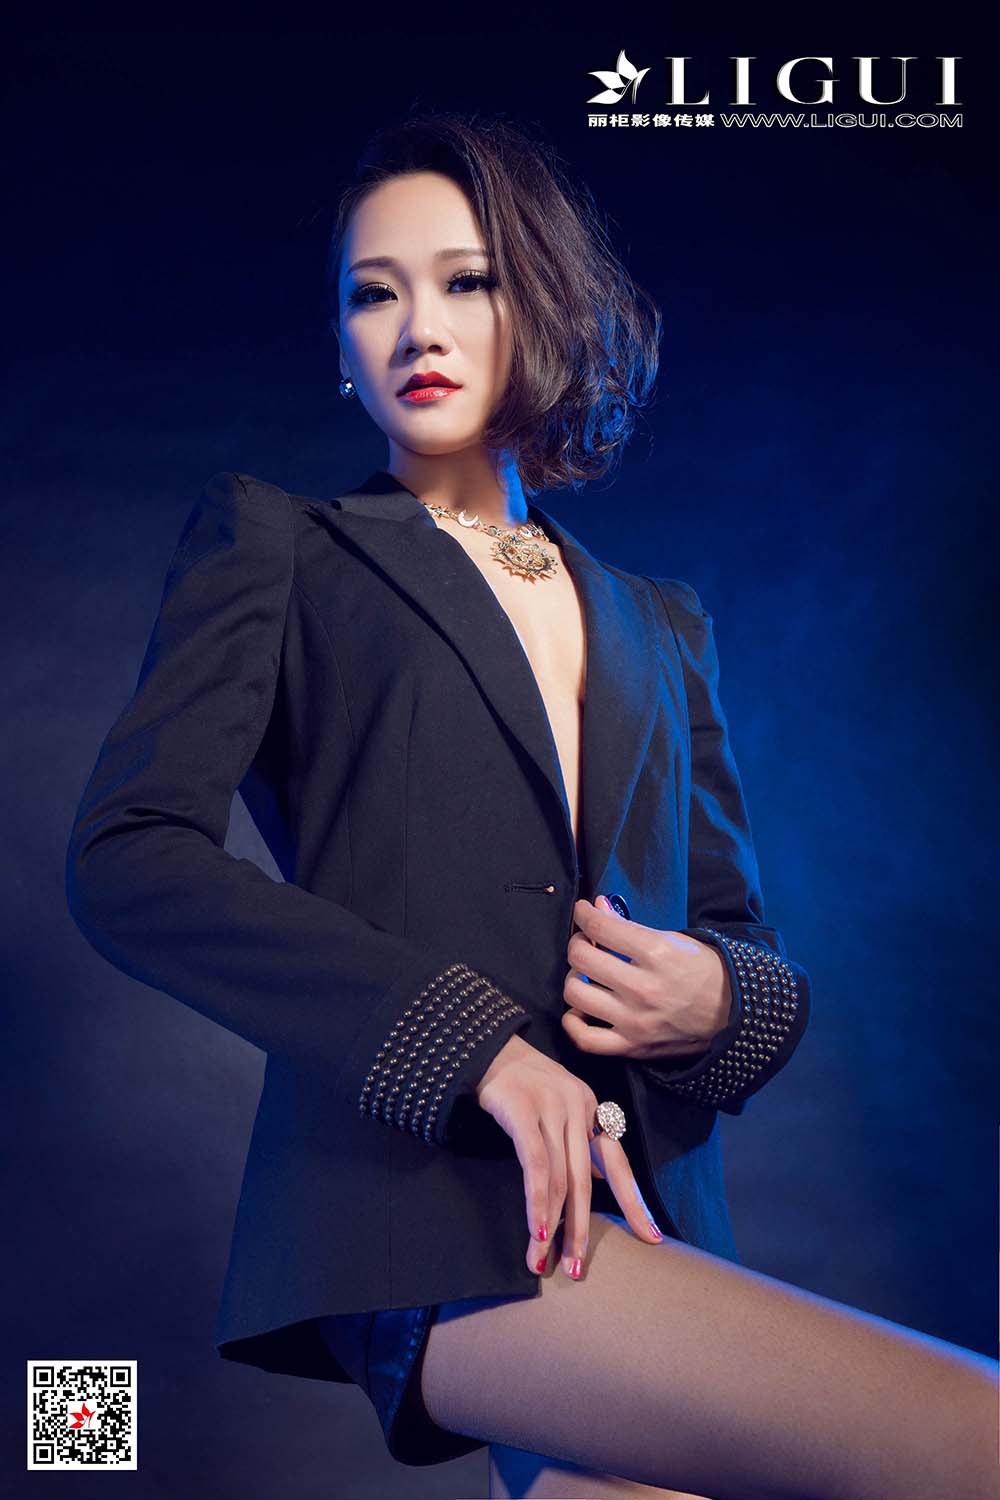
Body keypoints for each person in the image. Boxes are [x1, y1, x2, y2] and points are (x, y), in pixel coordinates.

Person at [65, 109, 998, 1500]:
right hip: (420, 1210)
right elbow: (129, 858)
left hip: (652, 1225)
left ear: (542, 305)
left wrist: (718, 1002)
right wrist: (472, 1048)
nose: (416, 328)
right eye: (371, 295)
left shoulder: (660, 623)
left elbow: (742, 938)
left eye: (465, 280)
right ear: (338, 348)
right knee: (977, 1435)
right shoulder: (282, 546)